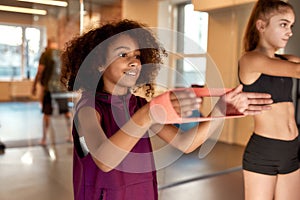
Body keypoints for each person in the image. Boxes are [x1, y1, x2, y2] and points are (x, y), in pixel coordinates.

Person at [60, 19, 273, 200]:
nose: (134, 62)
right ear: (98, 63)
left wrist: (220, 110)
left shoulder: (139, 105)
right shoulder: (88, 108)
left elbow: (185, 143)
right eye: (123, 55)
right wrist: (149, 114)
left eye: (137, 56)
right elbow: (105, 160)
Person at [238, 0, 300, 199]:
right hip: (264, 151)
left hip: (291, 149)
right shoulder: (250, 60)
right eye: (283, 24)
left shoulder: (285, 60)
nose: (289, 31)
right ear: (261, 25)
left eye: (291, 26)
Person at [32, 39, 72, 145]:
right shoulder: (61, 54)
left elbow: (40, 71)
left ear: (48, 45)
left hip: (49, 89)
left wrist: (34, 85)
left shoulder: (45, 55)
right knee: (66, 112)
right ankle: (70, 136)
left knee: (46, 113)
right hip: (61, 88)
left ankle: (44, 139)